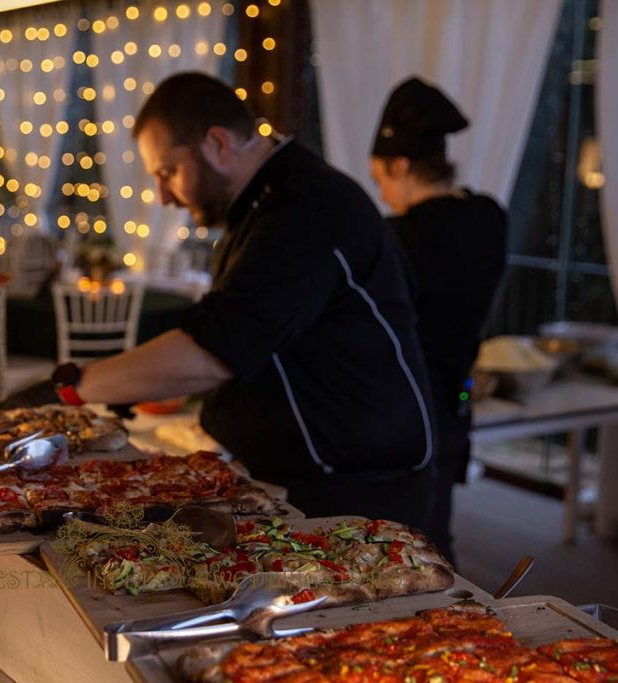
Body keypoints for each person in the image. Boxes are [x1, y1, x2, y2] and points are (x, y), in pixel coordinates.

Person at [44, 72, 437, 529]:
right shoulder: (266, 201)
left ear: (217, 143)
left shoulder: (305, 207)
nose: (163, 195)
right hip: (310, 471)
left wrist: (75, 386)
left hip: (358, 484)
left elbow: (214, 349)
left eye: (167, 172)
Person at [369, 77, 508, 562]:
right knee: (437, 530)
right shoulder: (489, 217)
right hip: (455, 398)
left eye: (381, 177)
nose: (383, 193)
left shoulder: (398, 236)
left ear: (402, 165)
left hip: (401, 407)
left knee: (398, 541)